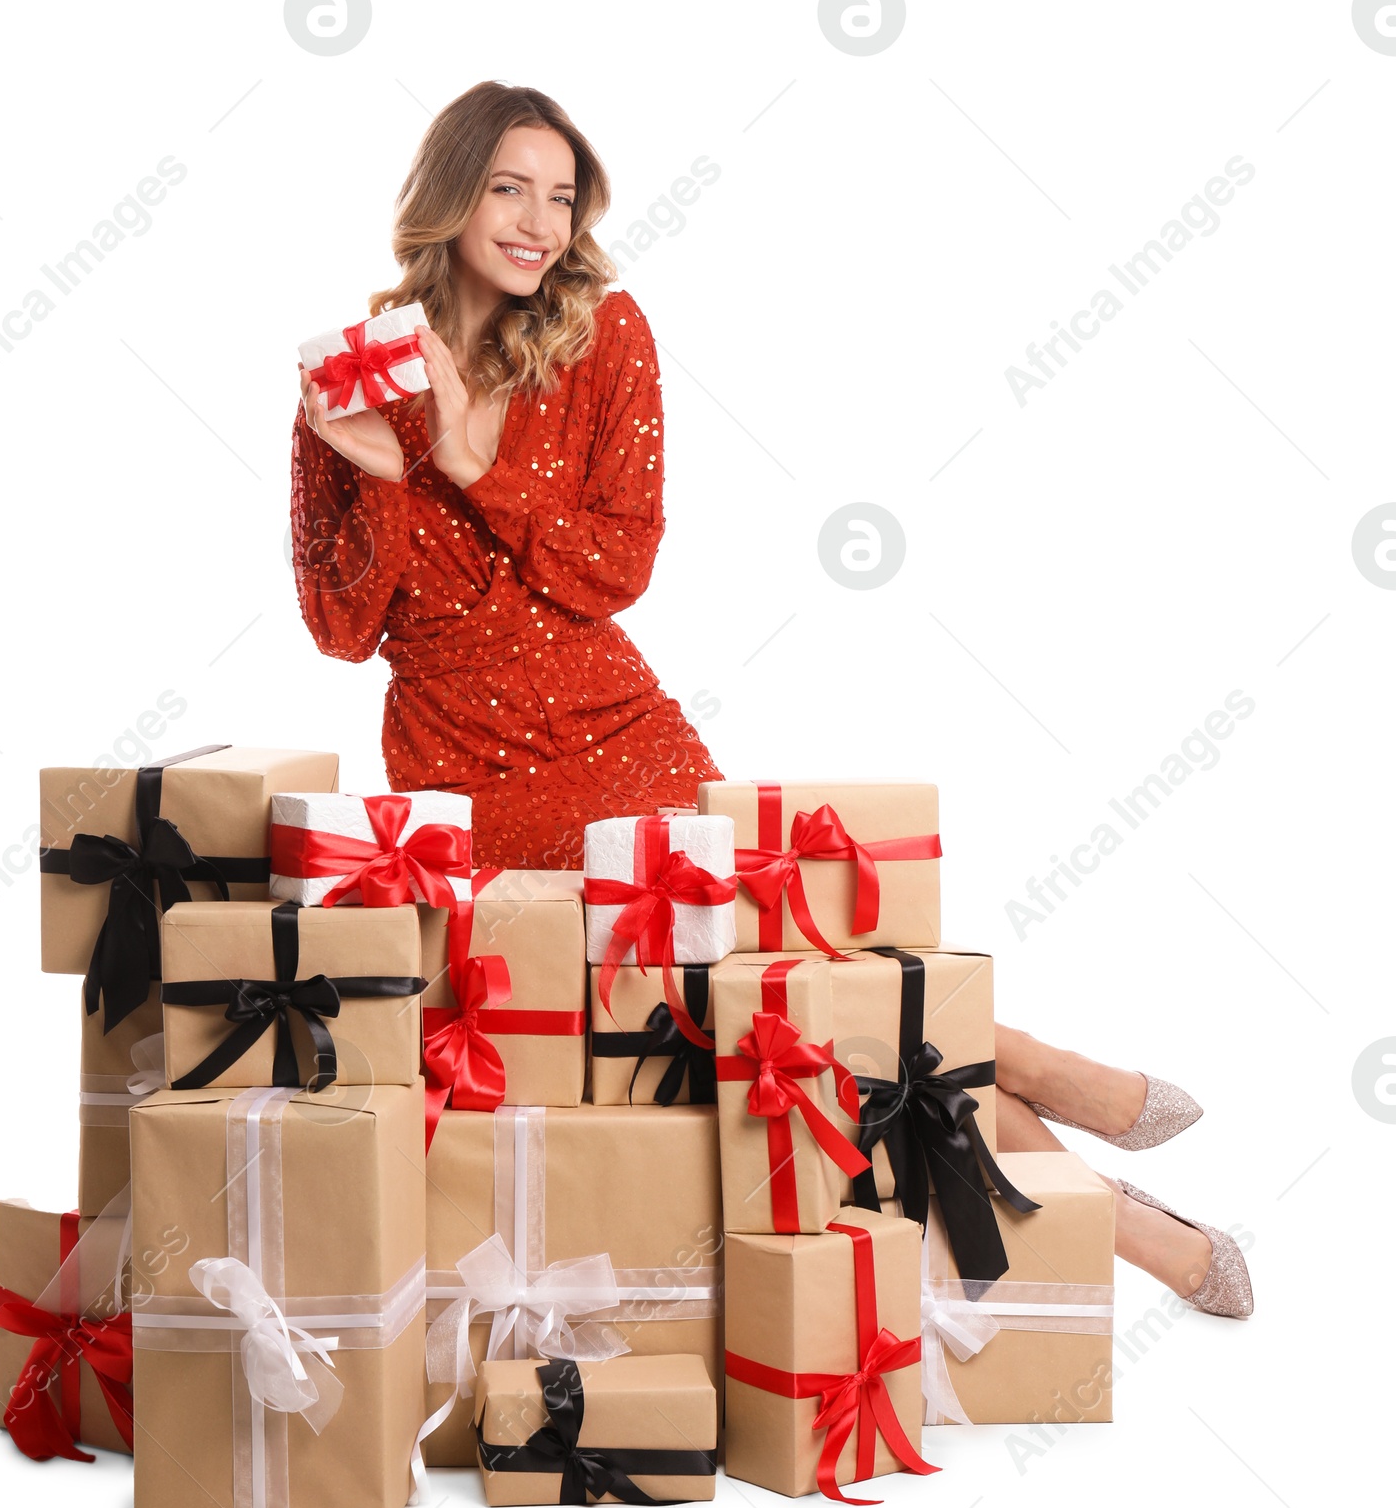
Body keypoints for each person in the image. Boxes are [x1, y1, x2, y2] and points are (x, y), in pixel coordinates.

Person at [289, 80, 1251, 1320]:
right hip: (460, 778)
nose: (537, 222)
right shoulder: (352, 375)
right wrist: (372, 473)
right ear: (449, 197)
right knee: (763, 1038)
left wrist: (471, 464)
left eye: (560, 195)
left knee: (788, 993)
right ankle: (1082, 1148)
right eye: (507, 189)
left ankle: (1083, 1153)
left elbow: (614, 565)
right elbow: (341, 628)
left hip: (615, 736)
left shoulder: (601, 334)